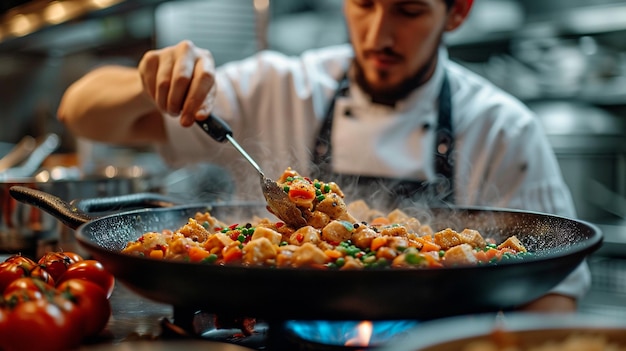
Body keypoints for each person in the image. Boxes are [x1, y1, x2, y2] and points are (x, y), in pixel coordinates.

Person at [57, 0, 590, 313]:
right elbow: (81, 111)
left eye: (407, 10)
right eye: (364, 3)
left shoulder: (505, 126)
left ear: (457, 12)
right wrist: (154, 81)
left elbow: (554, 289)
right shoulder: (279, 83)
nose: (379, 33)